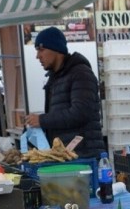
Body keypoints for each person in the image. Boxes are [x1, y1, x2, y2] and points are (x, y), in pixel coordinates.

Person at [24, 26, 106, 158]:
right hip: (68, 155)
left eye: (41, 49)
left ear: (56, 49)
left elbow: (80, 112)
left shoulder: (81, 74)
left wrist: (43, 120)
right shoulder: (55, 78)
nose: (37, 56)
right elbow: (60, 114)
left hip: (84, 156)